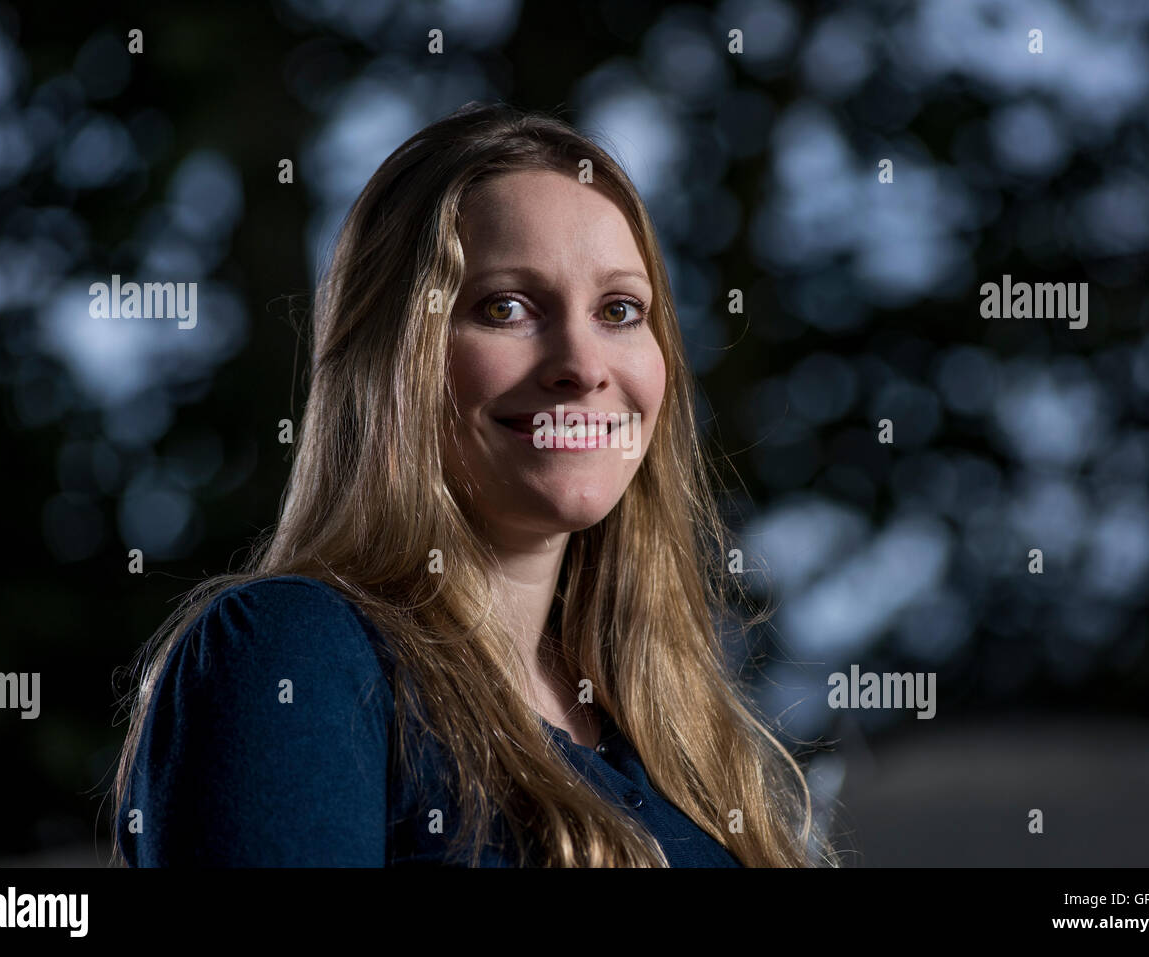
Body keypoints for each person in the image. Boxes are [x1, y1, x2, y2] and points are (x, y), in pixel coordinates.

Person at [110, 101, 834, 867]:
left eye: (619, 310)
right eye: (508, 307)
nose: (583, 365)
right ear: (395, 361)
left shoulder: (684, 742)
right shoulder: (297, 653)